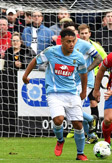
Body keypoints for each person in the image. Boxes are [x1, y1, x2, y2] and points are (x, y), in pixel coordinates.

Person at [22, 28, 88, 161]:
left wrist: (84, 91)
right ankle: (60, 140)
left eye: (73, 41)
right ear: (62, 42)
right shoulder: (51, 52)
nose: (71, 44)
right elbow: (35, 60)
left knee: (78, 124)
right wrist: (25, 75)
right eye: (68, 42)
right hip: (54, 93)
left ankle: (80, 153)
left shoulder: (78, 56)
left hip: (72, 93)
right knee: (58, 120)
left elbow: (83, 73)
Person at [66, 23, 107, 143]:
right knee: (74, 108)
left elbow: (100, 58)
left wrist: (87, 70)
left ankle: (90, 120)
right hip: (74, 81)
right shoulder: (69, 45)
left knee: (73, 107)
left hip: (87, 81)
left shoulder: (86, 45)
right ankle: (91, 133)